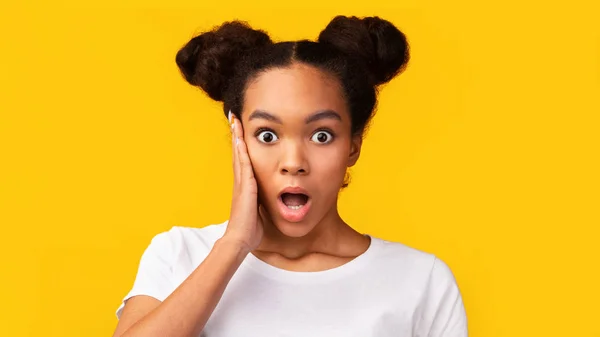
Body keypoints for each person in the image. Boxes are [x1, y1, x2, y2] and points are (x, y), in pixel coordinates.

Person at [112, 15, 468, 337]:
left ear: (353, 146)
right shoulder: (181, 255)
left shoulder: (422, 280)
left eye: (321, 135)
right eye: (267, 135)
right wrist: (234, 245)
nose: (293, 162)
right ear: (239, 138)